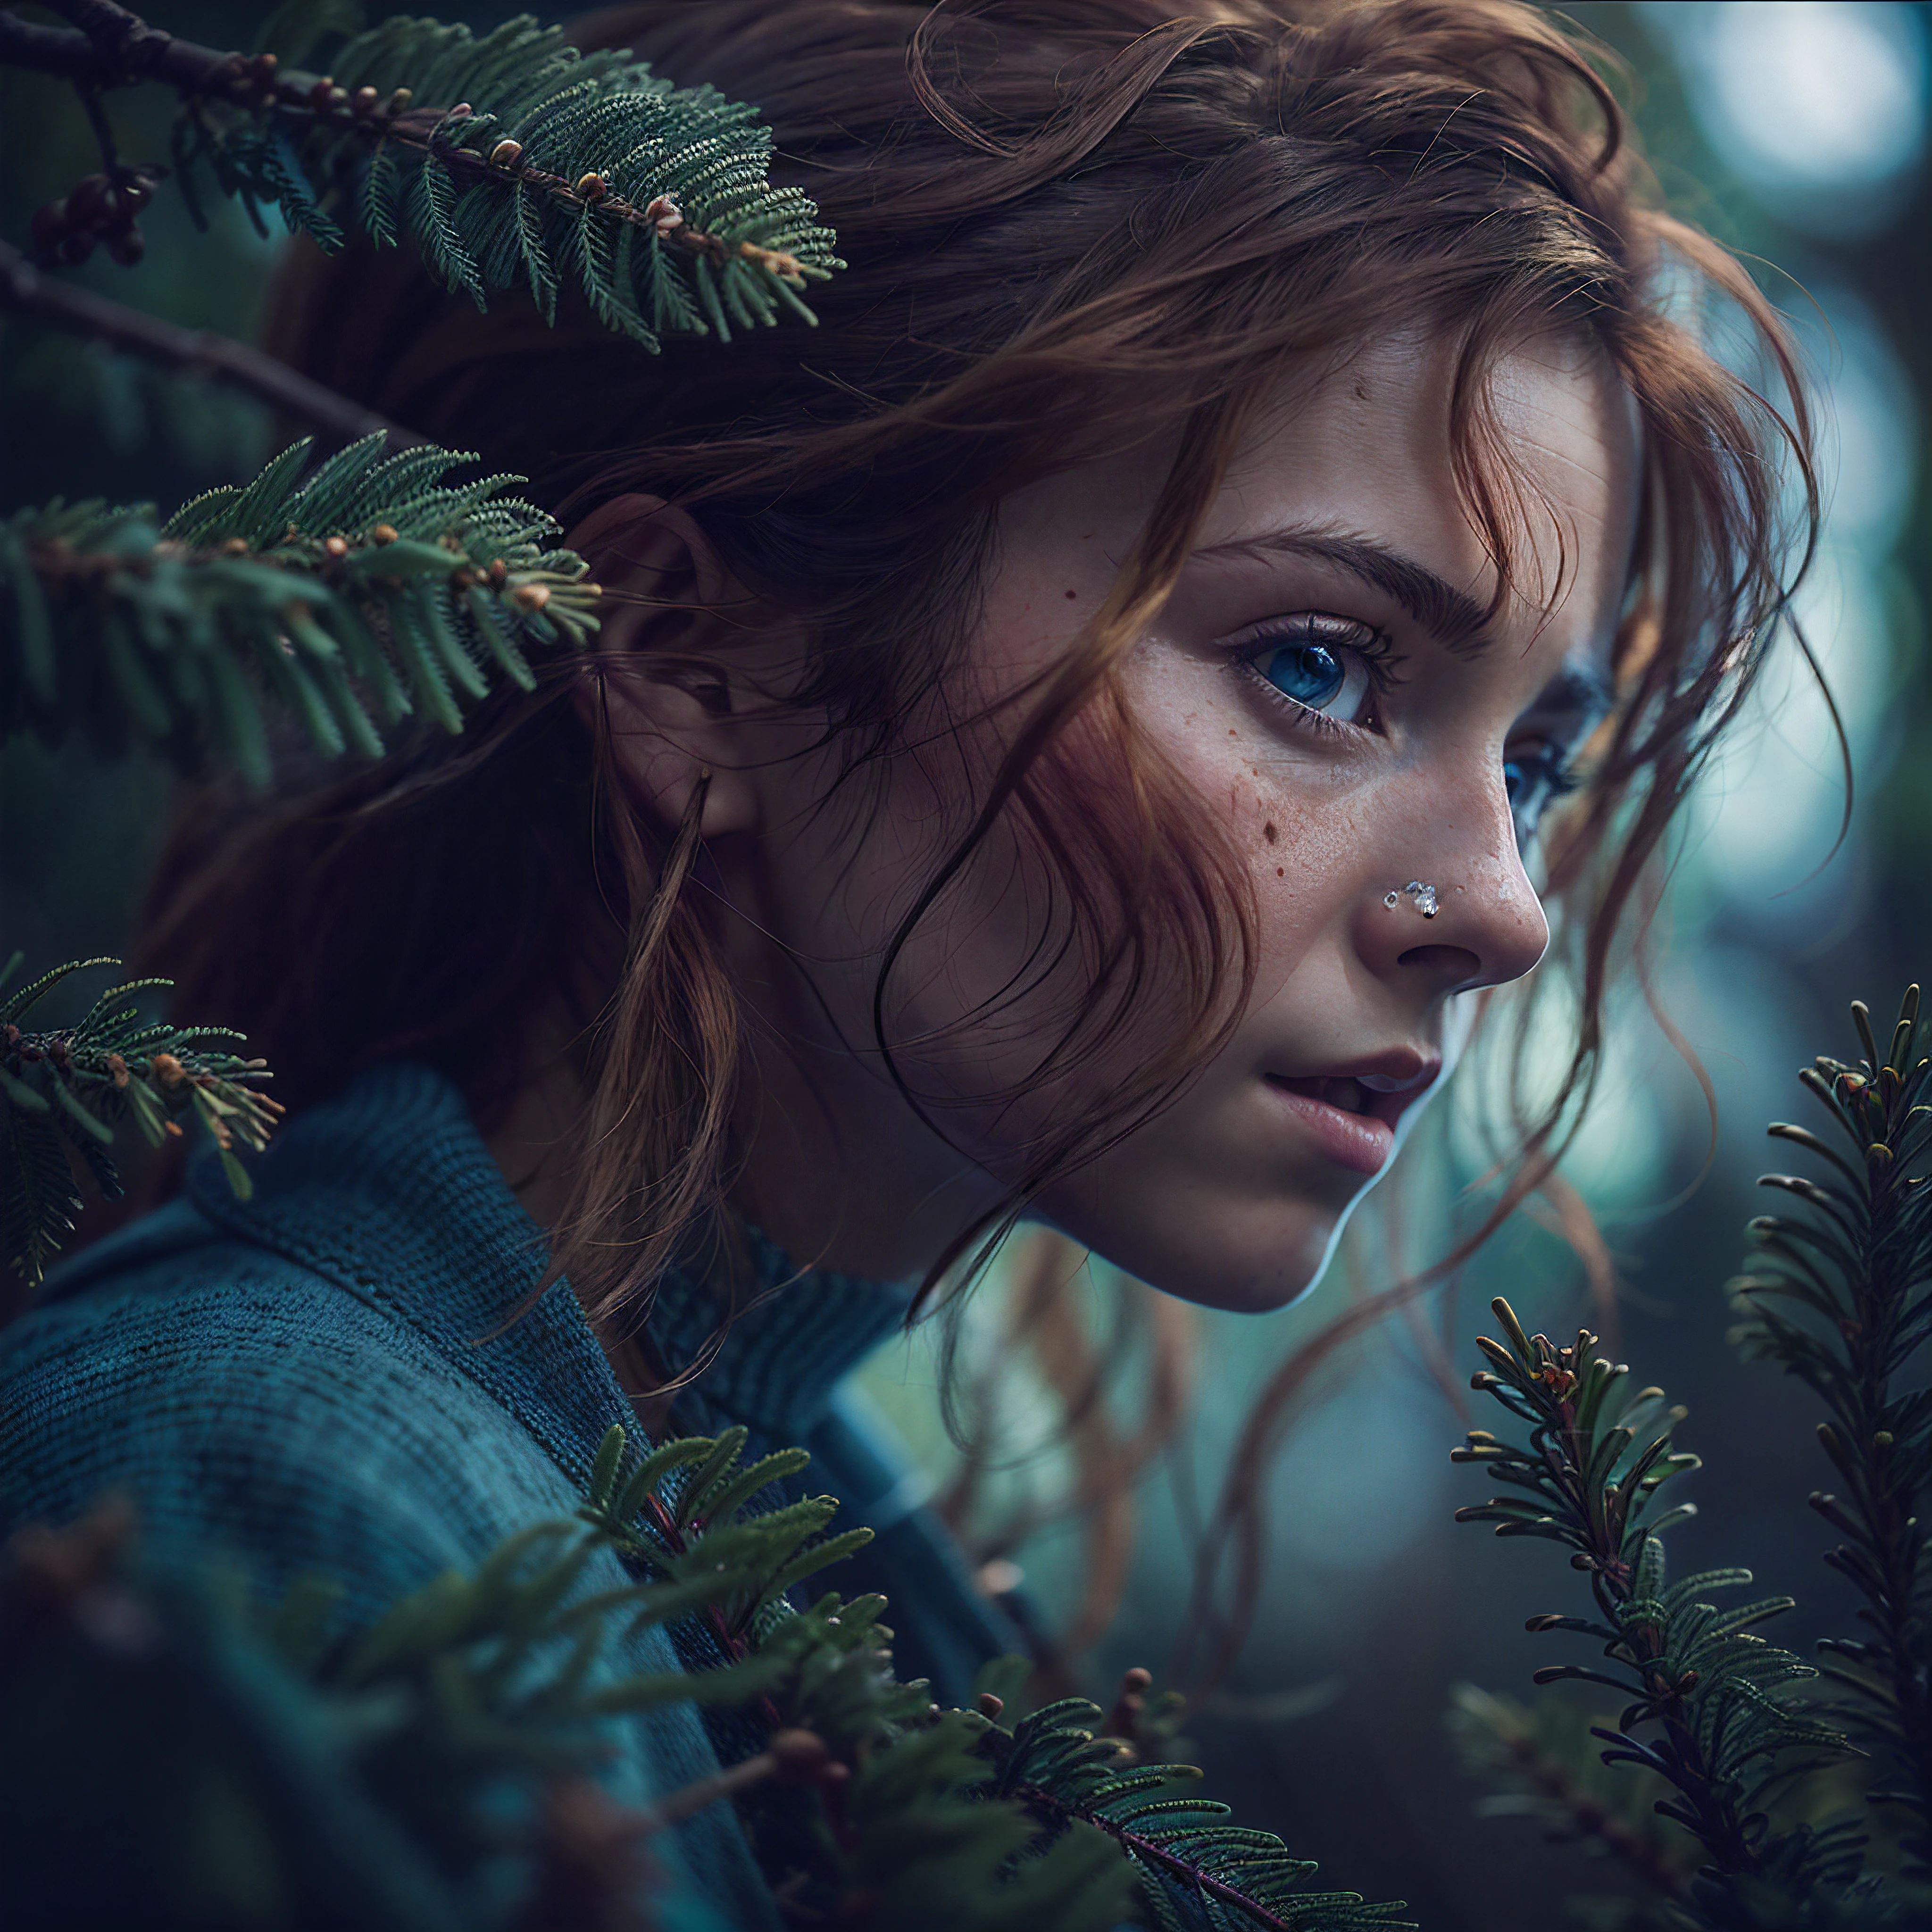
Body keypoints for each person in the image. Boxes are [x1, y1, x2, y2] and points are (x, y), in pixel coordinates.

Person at [0, 2, 1815, 1925]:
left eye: (1532, 761)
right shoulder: (257, 1508)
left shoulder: (829, 1607)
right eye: (1316, 663)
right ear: (687, 656)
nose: (1508, 906)